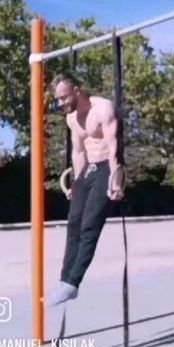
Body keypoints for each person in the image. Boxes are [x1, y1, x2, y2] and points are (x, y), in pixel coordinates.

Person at [47, 73, 125, 306]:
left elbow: (113, 147)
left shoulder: (103, 108)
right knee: (73, 223)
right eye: (58, 100)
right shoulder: (72, 119)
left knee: (89, 225)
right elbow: (78, 152)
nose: (60, 103)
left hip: (106, 168)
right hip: (88, 170)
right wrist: (76, 182)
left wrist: (116, 178)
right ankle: (65, 280)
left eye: (63, 97)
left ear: (77, 91)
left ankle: (73, 282)